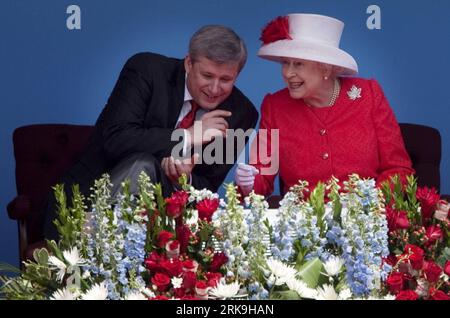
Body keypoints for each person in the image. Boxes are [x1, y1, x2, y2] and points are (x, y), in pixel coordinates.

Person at [43, 25, 258, 240]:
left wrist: (185, 179)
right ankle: (95, 244)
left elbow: (208, 187)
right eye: (207, 75)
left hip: (167, 225)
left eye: (226, 80)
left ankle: (110, 250)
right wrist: (188, 136)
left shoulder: (240, 113)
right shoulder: (147, 70)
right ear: (188, 63)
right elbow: (115, 138)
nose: (214, 88)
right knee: (143, 165)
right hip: (87, 204)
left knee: (146, 168)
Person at [235, 14, 414, 197]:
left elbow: (399, 169)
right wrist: (249, 183)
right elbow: (261, 177)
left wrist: (369, 205)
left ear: (326, 68)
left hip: (365, 218)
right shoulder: (275, 107)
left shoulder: (368, 95)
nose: (288, 73)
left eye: (298, 64)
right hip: (303, 222)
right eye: (285, 63)